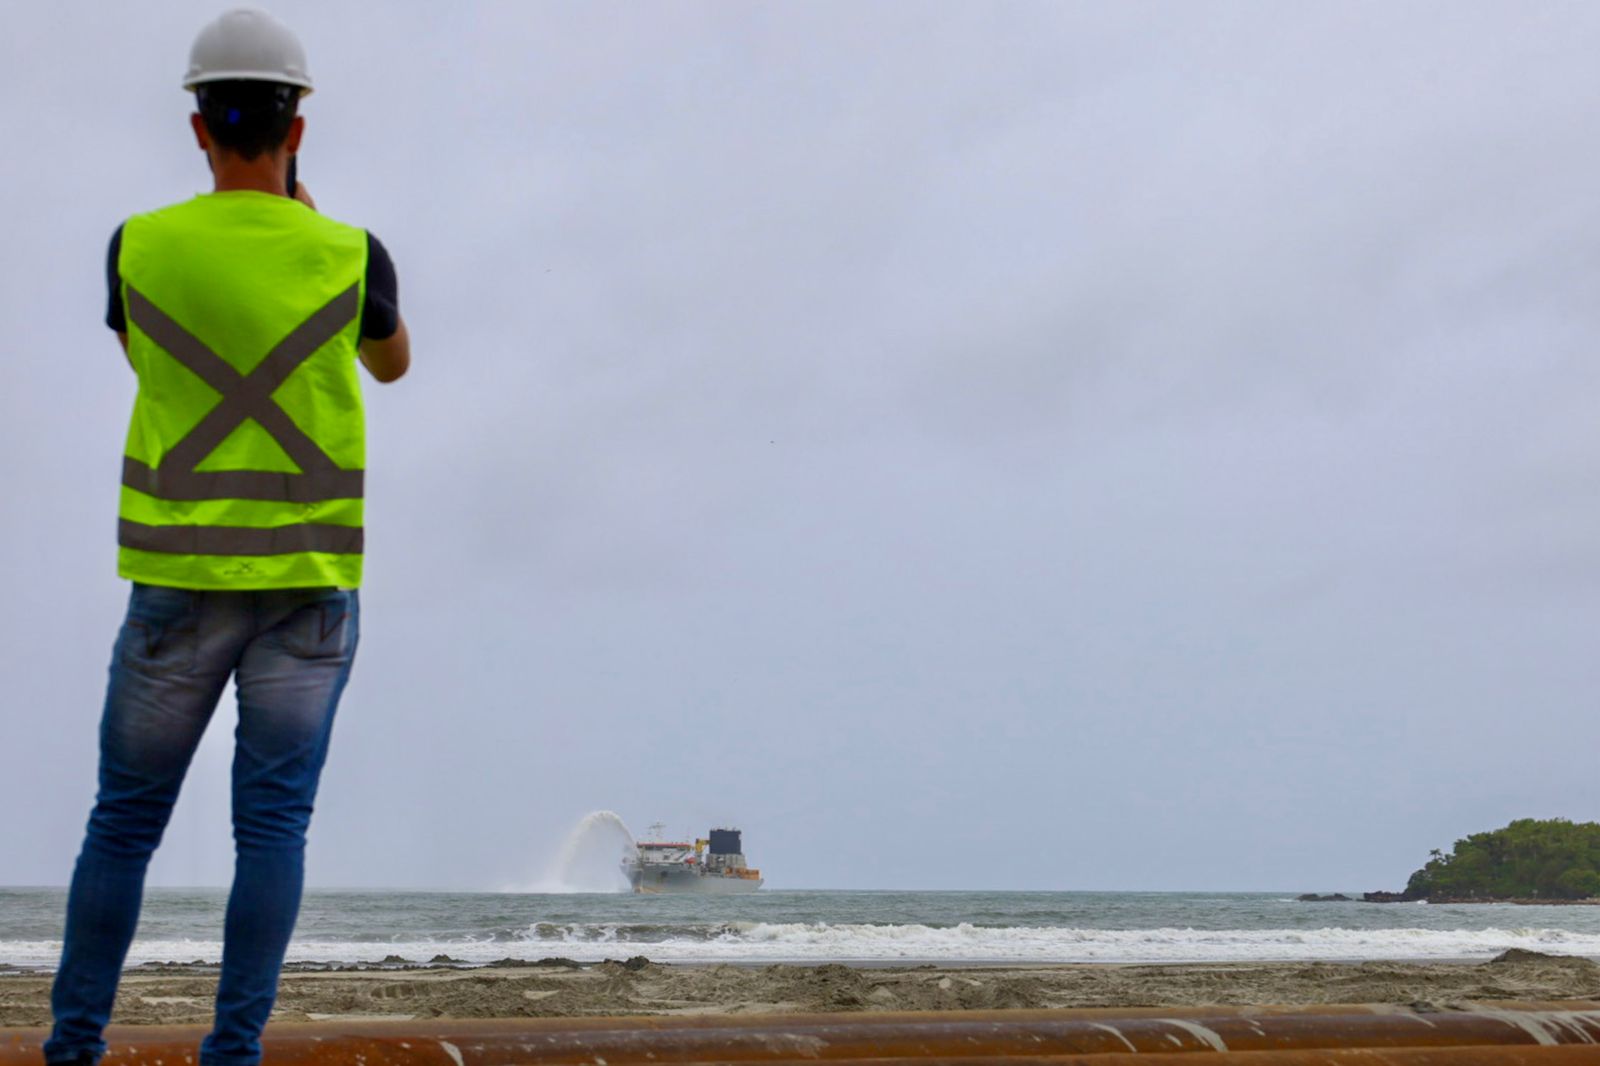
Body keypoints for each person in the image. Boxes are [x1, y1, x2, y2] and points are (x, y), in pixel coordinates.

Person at [45, 9, 410, 1066]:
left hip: (176, 578)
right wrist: (310, 225)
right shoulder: (350, 253)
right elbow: (392, 366)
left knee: (121, 826)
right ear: (299, 127)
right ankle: (233, 1053)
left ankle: (75, 1049)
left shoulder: (140, 245)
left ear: (198, 127)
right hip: (306, 585)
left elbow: (148, 362)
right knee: (272, 832)